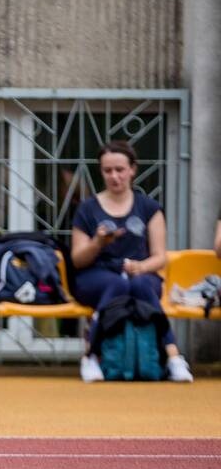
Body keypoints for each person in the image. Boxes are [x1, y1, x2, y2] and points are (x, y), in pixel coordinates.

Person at [70, 141, 193, 383]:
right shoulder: (87, 209)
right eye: (107, 171)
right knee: (117, 286)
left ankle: (173, 358)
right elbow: (77, 260)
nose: (114, 177)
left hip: (141, 273)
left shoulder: (149, 208)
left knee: (139, 286)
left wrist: (140, 267)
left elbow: (160, 257)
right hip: (95, 275)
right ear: (101, 172)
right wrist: (98, 243)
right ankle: (91, 356)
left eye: (120, 169)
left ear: (132, 169)